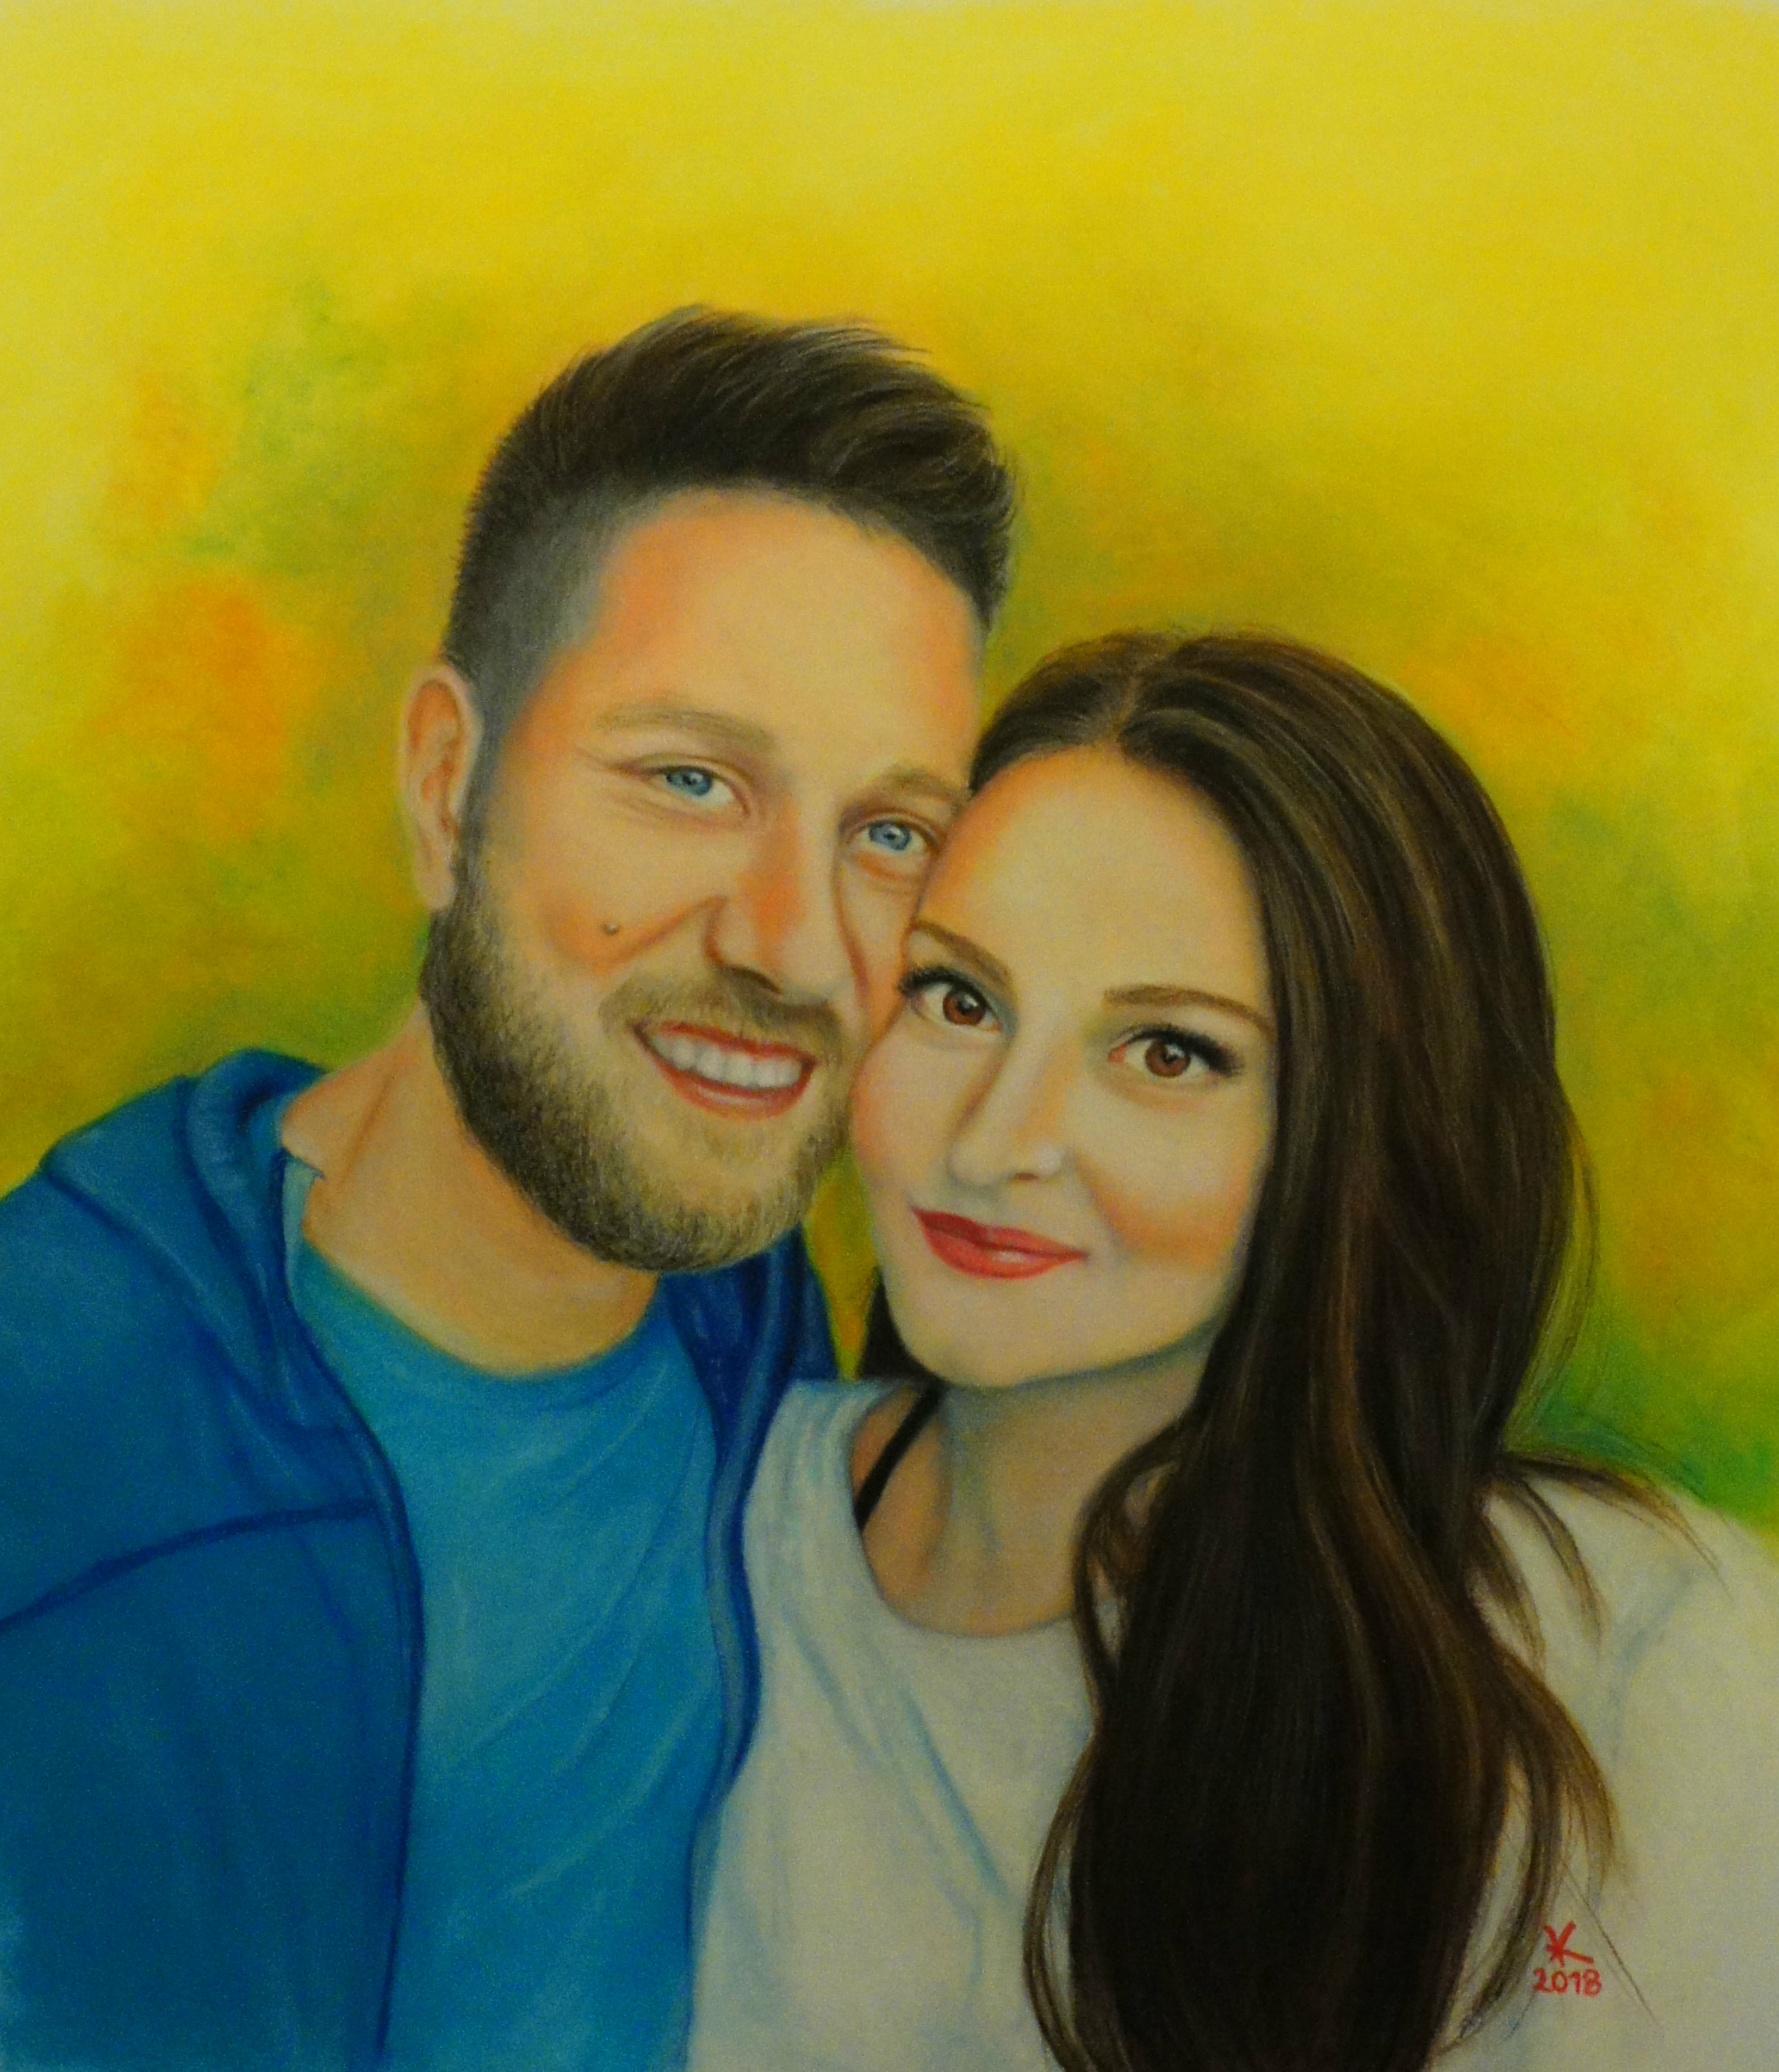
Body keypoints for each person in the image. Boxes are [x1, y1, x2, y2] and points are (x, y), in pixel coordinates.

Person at [0, 310, 1014, 2072]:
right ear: (444, 784)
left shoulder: (757, 1332)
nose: (796, 948)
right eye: (691, 781)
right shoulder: (68, 1459)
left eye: (889, 835)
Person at [689, 631, 1779, 2072]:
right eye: (958, 999)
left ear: (1354, 1130)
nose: (997, 1141)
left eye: (1168, 1053)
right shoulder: (690, 1549)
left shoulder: (1638, 1654)